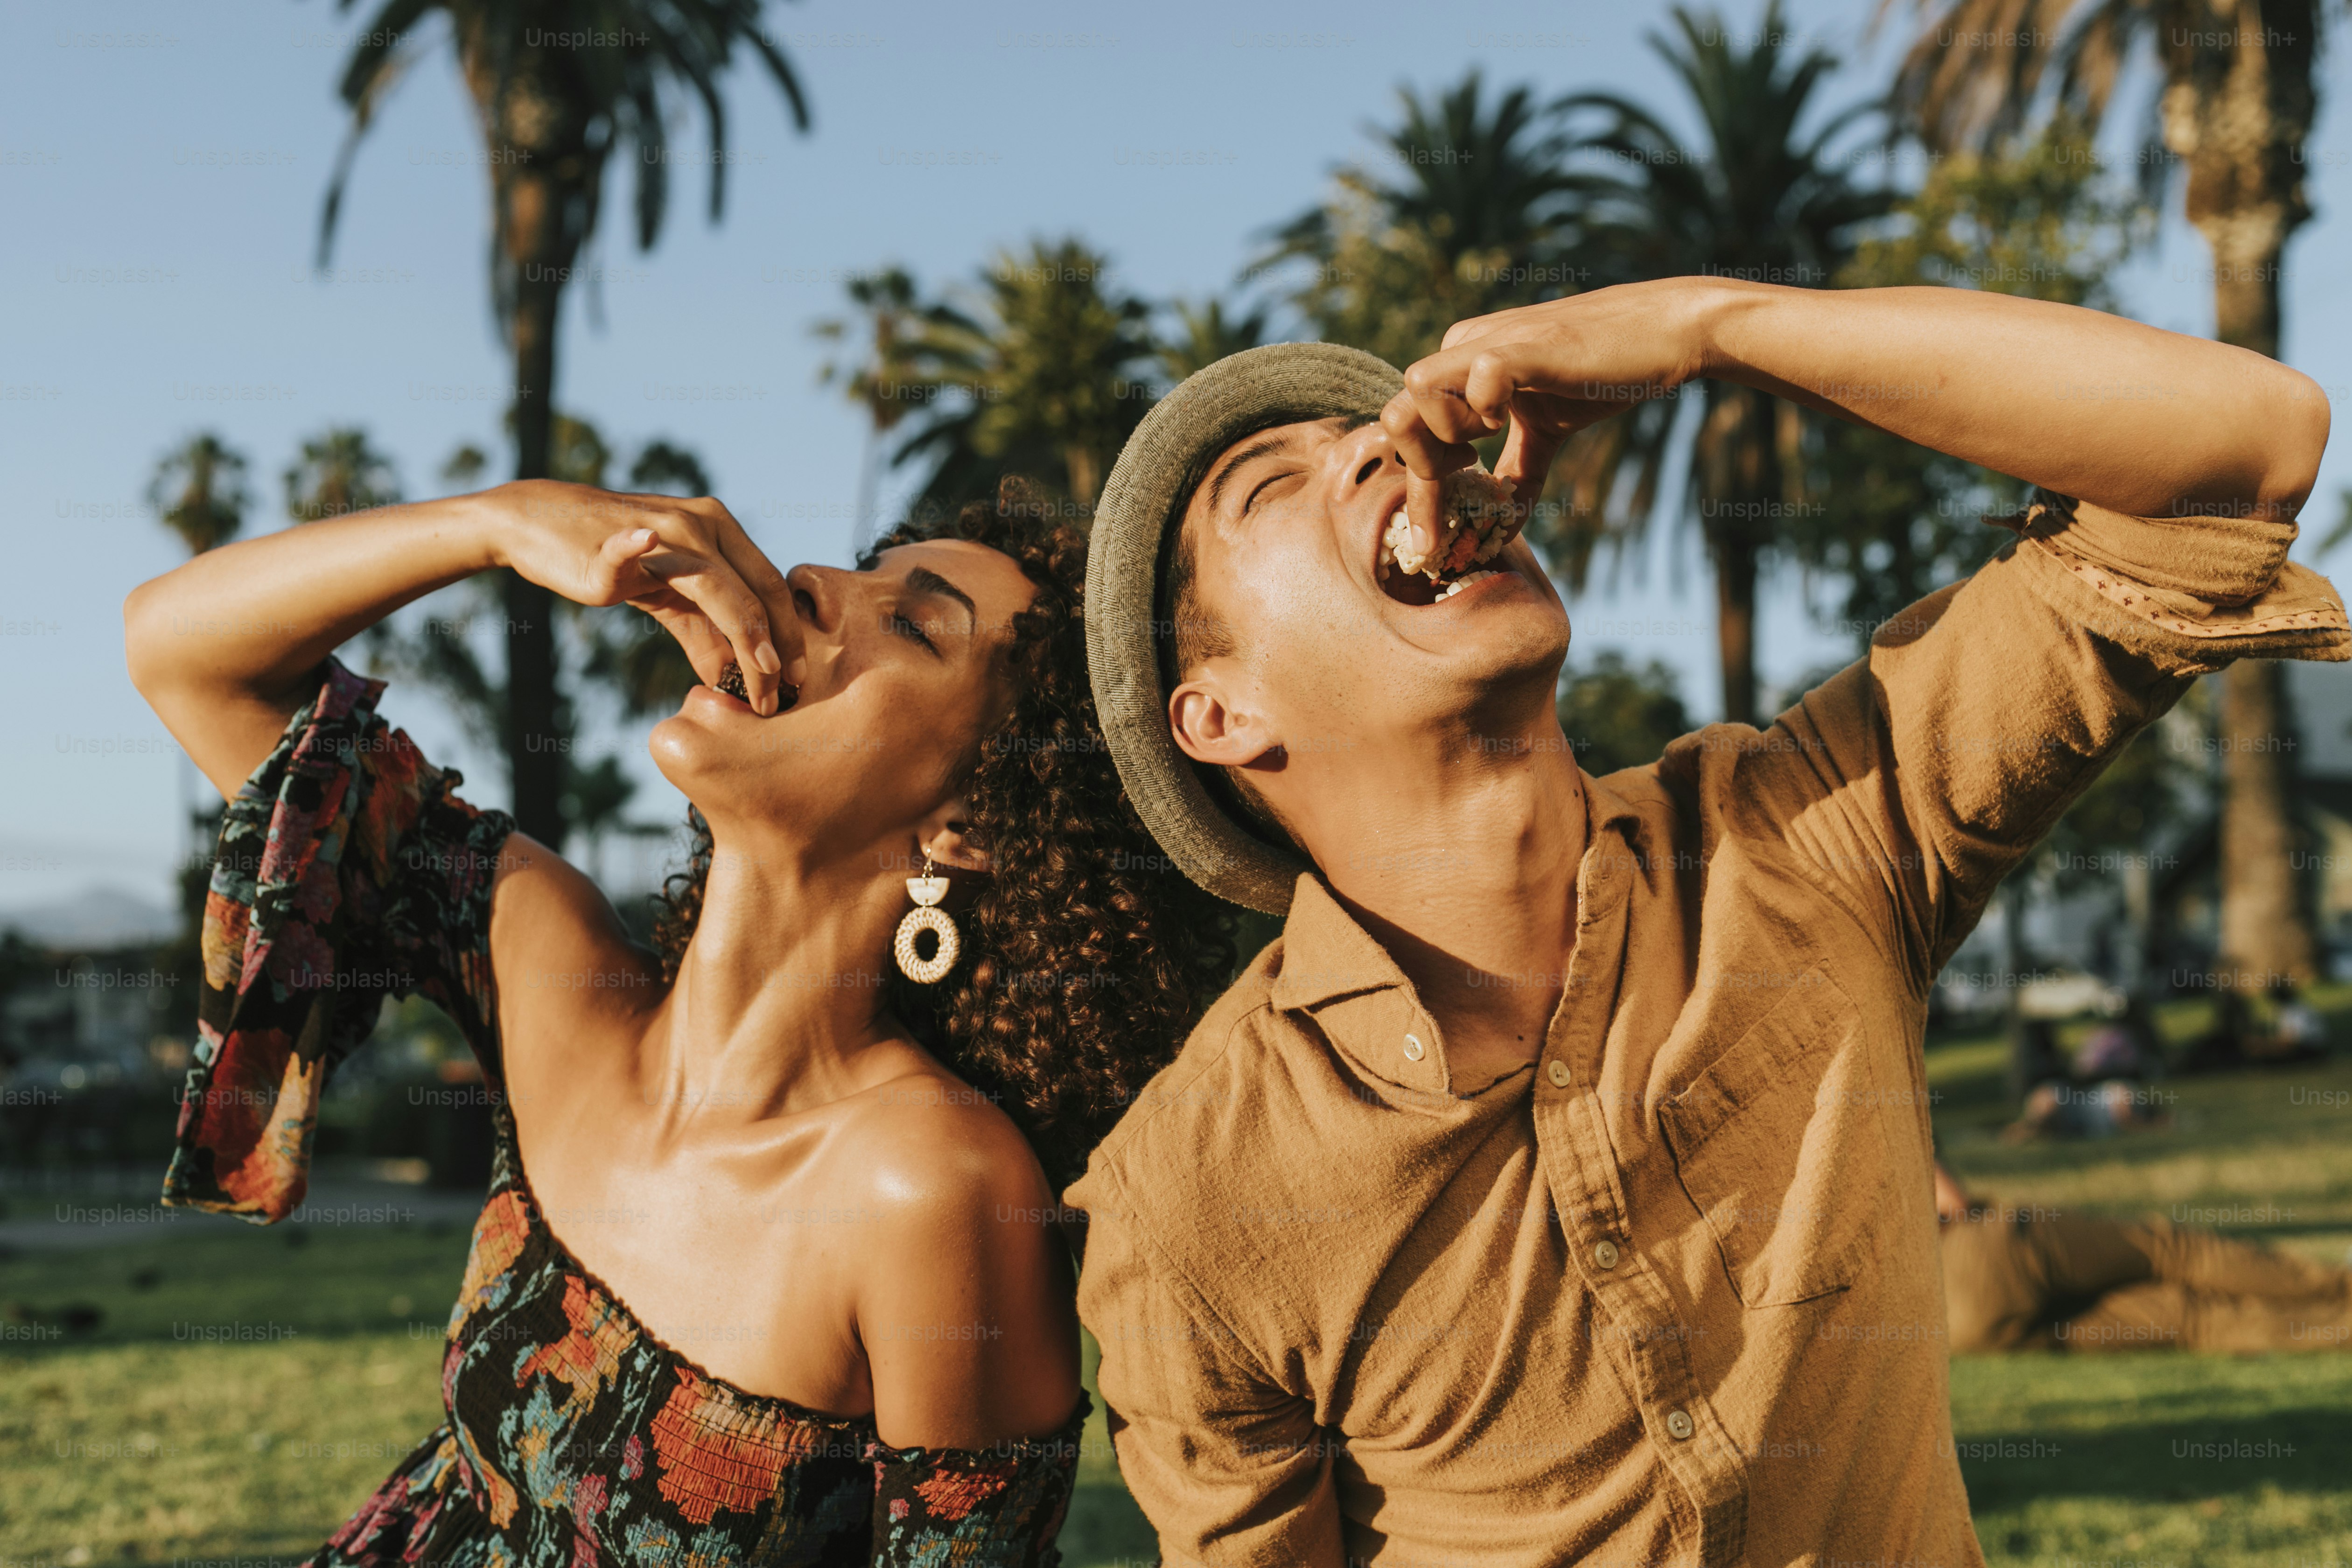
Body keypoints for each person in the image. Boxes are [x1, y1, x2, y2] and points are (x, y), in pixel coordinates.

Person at [1067, 279, 2345, 1567]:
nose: (1372, 445)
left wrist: (1710, 327)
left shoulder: (1812, 829)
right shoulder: (1184, 1197)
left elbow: (2244, 447)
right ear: (1219, 715)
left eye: (1373, 429)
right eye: (1270, 486)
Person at [124, 476, 1234, 1566]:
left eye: (910, 622)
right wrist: (499, 522)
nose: (808, 582)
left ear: (973, 823)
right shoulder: (553, 970)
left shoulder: (935, 1192)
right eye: (857, 571)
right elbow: (183, 654)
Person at [1935, 1162, 2352, 1352]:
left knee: (2187, 1321)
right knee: (2175, 1252)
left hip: (1964, 1328)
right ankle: (2341, 1285)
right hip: (1975, 1252)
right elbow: (1953, 1201)